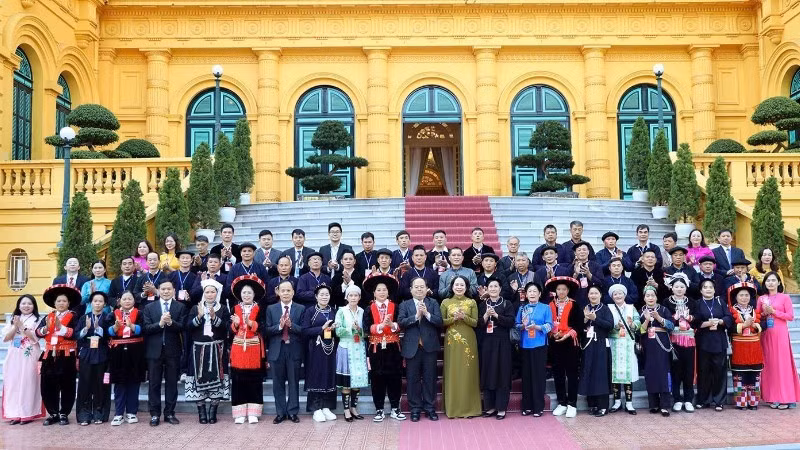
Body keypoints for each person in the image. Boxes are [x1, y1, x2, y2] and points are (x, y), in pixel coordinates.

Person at [143, 279, 188, 426]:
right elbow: (146, 328)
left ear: (174, 290)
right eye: (163, 289)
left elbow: (182, 327)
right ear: (158, 290)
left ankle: (169, 413)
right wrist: (160, 324)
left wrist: (170, 323)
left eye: (169, 289)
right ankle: (154, 414)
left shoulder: (180, 307)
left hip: (172, 350)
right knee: (154, 384)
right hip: (154, 351)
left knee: (172, 384)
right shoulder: (150, 307)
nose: (166, 291)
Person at [185, 279, 230, 424]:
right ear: (203, 293)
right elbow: (188, 327)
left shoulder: (223, 308)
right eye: (207, 292)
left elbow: (226, 328)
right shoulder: (195, 308)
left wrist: (214, 317)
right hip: (198, 349)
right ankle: (202, 413)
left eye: (213, 292)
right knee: (198, 379)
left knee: (217, 380)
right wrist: (199, 316)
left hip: (217, 349)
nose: (210, 294)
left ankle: (213, 411)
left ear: (217, 293)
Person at [363, 274, 406, 422]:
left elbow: (401, 323)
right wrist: (380, 326)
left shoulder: (396, 306)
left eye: (384, 290)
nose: (382, 292)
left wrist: (392, 325)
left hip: (393, 347)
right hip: (376, 348)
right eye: (378, 290)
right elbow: (366, 328)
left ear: (388, 292)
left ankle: (395, 408)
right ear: (374, 293)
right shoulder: (369, 308)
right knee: (377, 379)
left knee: (395, 378)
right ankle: (379, 409)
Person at [398, 277, 442, 422]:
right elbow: (401, 322)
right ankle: (415, 409)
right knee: (412, 380)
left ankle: (430, 408)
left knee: (430, 379)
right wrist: (416, 316)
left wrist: (427, 314)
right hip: (412, 347)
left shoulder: (433, 302)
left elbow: (439, 322)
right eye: (416, 287)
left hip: (429, 347)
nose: (419, 289)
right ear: (411, 290)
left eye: (422, 287)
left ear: (426, 288)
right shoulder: (405, 305)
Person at [36, 284, 81, 425]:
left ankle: (64, 413)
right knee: (48, 385)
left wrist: (61, 328)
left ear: (69, 303)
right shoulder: (48, 317)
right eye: (59, 301)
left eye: (64, 301)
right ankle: (53, 412)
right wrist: (45, 329)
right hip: (49, 354)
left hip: (67, 355)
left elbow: (76, 334)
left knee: (67, 385)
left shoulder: (74, 316)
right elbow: (38, 332)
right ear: (54, 303)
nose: (61, 303)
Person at [757, 272, 800, 409]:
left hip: (780, 334)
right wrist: (764, 313)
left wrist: (774, 312)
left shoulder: (785, 297)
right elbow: (758, 316)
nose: (770, 283)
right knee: (769, 365)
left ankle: (786, 398)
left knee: (783, 365)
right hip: (766, 334)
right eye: (768, 280)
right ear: (764, 283)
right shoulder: (761, 298)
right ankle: (772, 397)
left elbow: (790, 316)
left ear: (779, 282)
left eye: (773, 280)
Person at [441, 276, 481, 418]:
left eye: (462, 285)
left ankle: (470, 408)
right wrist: (454, 319)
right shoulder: (445, 302)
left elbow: (476, 323)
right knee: (453, 372)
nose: (459, 287)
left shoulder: (471, 302)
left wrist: (464, 317)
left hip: (469, 339)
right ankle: (453, 409)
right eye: (456, 284)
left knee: (468, 372)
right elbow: (442, 322)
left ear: (466, 287)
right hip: (452, 341)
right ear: (452, 287)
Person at [266, 279, 305, 424]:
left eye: (288, 290)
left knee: (294, 382)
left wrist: (291, 325)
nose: (286, 293)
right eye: (283, 290)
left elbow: (303, 330)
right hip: (277, 350)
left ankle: (293, 412)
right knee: (278, 383)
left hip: (293, 349)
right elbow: (267, 330)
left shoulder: (300, 308)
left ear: (293, 292)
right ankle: (280, 412)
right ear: (278, 292)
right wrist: (279, 326)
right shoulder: (271, 309)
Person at [230, 275, 267, 424]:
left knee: (254, 381)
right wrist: (237, 324)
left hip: (254, 348)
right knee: (238, 381)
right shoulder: (234, 308)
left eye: (249, 293)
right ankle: (239, 413)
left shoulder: (260, 309)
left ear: (254, 295)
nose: (246, 295)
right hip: (238, 348)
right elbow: (230, 330)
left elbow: (263, 326)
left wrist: (252, 323)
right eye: (244, 292)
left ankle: (253, 412)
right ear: (240, 294)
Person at [2, 294, 43, 424]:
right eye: (23, 303)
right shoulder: (13, 319)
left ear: (34, 306)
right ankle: (14, 413)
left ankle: (28, 413)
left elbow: (35, 338)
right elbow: (6, 338)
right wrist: (15, 325)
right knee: (14, 383)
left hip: (30, 355)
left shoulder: (37, 320)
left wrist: (22, 327)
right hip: (14, 355)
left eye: (29, 303)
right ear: (19, 305)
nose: (26, 306)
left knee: (28, 383)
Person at [546, 276, 582, 418]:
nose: (561, 291)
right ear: (555, 291)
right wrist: (552, 333)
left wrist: (567, 335)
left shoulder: (575, 305)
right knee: (558, 374)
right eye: (559, 289)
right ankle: (562, 402)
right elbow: (547, 322)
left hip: (570, 343)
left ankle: (572, 404)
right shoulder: (550, 305)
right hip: (555, 343)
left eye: (564, 289)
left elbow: (579, 325)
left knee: (572, 374)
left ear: (568, 291)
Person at [478, 278, 515, 419]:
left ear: (500, 289)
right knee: (487, 373)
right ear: (487, 289)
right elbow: (478, 323)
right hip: (487, 343)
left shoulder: (507, 303)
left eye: (495, 286)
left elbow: (511, 321)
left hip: (503, 342)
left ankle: (501, 408)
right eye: (490, 286)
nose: (493, 289)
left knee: (502, 374)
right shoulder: (482, 305)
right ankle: (490, 407)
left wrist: (496, 315)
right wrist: (487, 315)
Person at [693, 278, 732, 411]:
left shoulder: (721, 301)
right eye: (705, 287)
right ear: (701, 290)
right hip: (703, 341)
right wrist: (708, 323)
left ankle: (719, 400)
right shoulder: (697, 303)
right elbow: (695, 321)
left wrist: (720, 321)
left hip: (719, 340)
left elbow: (729, 317)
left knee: (719, 371)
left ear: (714, 290)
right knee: (703, 372)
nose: (708, 289)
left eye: (710, 287)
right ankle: (704, 400)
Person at [301, 285, 338, 422]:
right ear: (316, 296)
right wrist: (321, 328)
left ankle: (327, 407)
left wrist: (334, 329)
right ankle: (316, 408)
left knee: (329, 375)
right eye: (321, 294)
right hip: (315, 349)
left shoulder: (334, 310)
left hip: (331, 348)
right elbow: (304, 331)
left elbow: (337, 331)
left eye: (327, 294)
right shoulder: (310, 311)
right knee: (316, 376)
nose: (324, 297)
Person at [107, 291, 145, 426]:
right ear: (119, 300)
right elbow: (107, 331)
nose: (127, 301)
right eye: (124, 298)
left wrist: (132, 326)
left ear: (134, 301)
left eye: (130, 299)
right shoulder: (113, 314)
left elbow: (145, 329)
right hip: (118, 352)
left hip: (135, 352)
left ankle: (131, 412)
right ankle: (118, 413)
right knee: (119, 383)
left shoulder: (140, 313)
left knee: (134, 382)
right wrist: (114, 327)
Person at [515, 282, 552, 417]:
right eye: (529, 291)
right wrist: (523, 326)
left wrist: (537, 327)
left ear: (539, 294)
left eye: (534, 291)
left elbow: (549, 325)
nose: (532, 294)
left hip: (540, 344)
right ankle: (527, 406)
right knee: (526, 376)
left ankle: (538, 407)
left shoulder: (545, 307)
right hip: (525, 344)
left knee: (538, 376)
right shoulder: (522, 308)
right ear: (526, 294)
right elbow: (517, 325)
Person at [76, 291, 111, 425]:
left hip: (102, 352)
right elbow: (77, 335)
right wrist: (86, 329)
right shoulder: (83, 317)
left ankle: (99, 412)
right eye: (95, 301)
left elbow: (110, 335)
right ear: (91, 303)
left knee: (100, 384)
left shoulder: (108, 317)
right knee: (85, 383)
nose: (97, 303)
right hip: (87, 353)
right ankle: (84, 413)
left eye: (100, 301)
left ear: (105, 304)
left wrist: (98, 329)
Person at [335, 285, 369, 422]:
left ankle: (354, 408)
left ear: (360, 297)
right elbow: (337, 331)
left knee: (357, 381)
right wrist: (351, 328)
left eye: (356, 295)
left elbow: (366, 332)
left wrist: (359, 329)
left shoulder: (362, 311)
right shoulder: (341, 311)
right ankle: (346, 410)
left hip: (359, 347)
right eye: (351, 295)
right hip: (345, 347)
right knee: (346, 382)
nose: (353, 298)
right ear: (346, 297)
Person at [663, 274, 697, 412]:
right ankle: (677, 398)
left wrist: (690, 318)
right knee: (676, 369)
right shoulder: (666, 302)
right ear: (671, 288)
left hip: (689, 338)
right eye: (676, 286)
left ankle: (688, 399)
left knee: (689, 370)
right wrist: (674, 318)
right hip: (674, 339)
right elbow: (664, 319)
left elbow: (698, 318)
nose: (679, 289)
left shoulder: (692, 302)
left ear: (686, 288)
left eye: (682, 286)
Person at [728, 282, 764, 410]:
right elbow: (729, 326)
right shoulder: (731, 311)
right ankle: (741, 402)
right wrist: (743, 325)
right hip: (739, 347)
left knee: (754, 376)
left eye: (747, 295)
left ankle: (753, 402)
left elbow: (763, 325)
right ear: (736, 297)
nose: (744, 297)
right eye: (741, 295)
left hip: (754, 347)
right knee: (740, 376)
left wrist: (755, 326)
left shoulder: (755, 311)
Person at [639, 285, 674, 416]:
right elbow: (640, 331)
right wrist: (647, 319)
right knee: (651, 373)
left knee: (664, 373)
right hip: (648, 345)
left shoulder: (664, 309)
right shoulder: (641, 311)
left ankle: (665, 405)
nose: (650, 298)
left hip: (662, 345)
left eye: (652, 295)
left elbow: (671, 326)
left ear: (656, 296)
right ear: (644, 298)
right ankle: (653, 404)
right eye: (647, 296)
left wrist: (659, 318)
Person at [578, 286, 613, 417]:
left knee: (600, 374)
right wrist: (585, 320)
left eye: (595, 293)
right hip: (587, 345)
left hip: (601, 345)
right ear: (588, 295)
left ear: (600, 295)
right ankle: (591, 404)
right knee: (588, 372)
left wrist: (595, 319)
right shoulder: (584, 308)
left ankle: (603, 406)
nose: (593, 295)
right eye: (591, 293)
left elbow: (610, 325)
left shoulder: (605, 308)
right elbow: (578, 326)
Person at [607, 284, 639, 415]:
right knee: (615, 373)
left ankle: (629, 403)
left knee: (628, 372)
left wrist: (632, 324)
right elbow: (606, 325)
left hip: (627, 342)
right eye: (615, 294)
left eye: (620, 293)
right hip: (614, 342)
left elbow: (638, 324)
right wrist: (615, 326)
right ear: (612, 296)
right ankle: (617, 401)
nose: (618, 296)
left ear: (625, 295)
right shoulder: (609, 308)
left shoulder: (632, 308)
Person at [562, 241, 603, 308]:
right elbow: (566, 286)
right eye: (579, 250)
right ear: (575, 253)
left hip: (592, 300)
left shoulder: (596, 266)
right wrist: (576, 274)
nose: (582, 252)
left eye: (584, 250)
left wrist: (589, 274)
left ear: (588, 252)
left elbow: (601, 283)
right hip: (574, 299)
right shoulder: (570, 267)